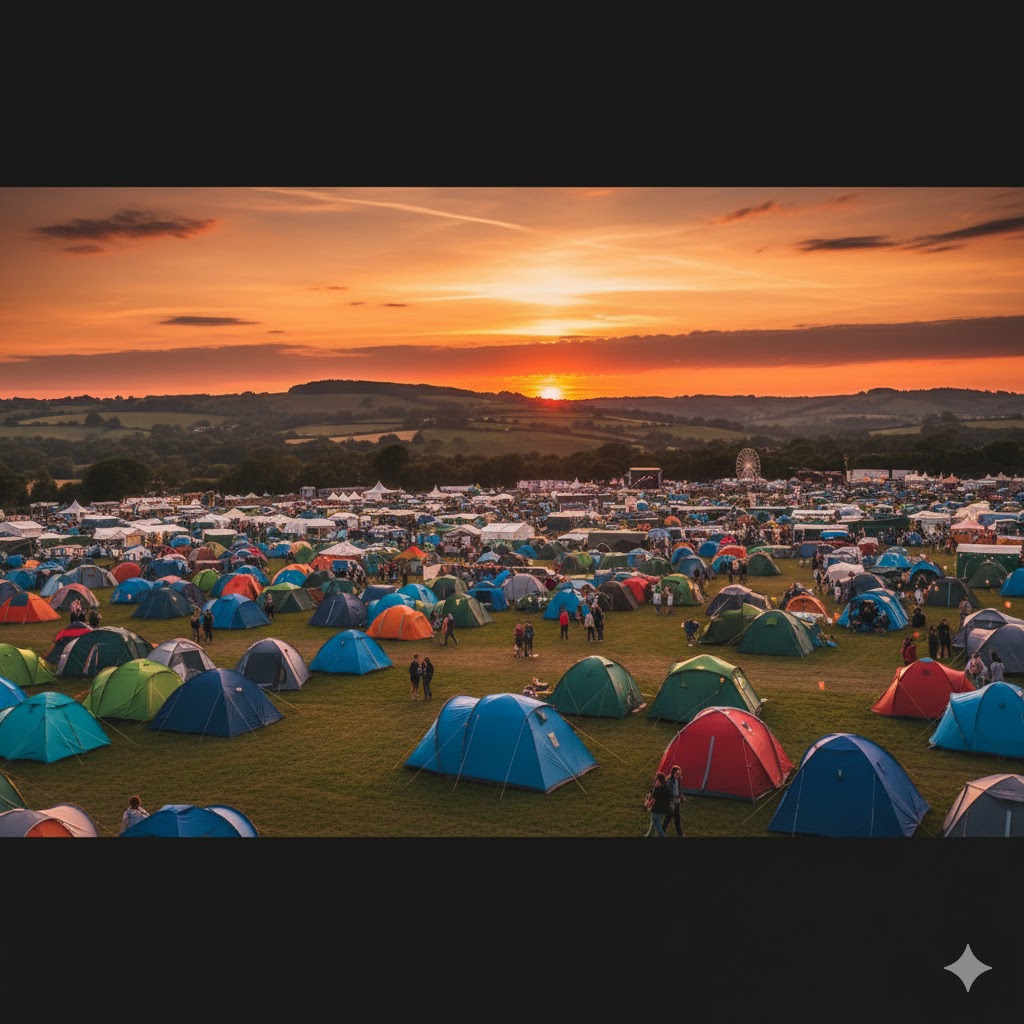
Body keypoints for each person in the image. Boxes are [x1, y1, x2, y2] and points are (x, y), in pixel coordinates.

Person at [645, 772, 672, 837]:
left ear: (659, 781)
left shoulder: (659, 790)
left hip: (657, 810)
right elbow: (651, 791)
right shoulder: (665, 786)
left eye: (656, 779)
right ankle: (649, 834)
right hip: (663, 809)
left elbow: (653, 797)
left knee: (657, 826)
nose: (655, 780)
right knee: (653, 821)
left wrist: (651, 795)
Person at [663, 764, 687, 837]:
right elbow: (668, 793)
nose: (678, 775)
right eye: (677, 774)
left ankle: (679, 834)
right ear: (673, 773)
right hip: (671, 803)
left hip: (677, 802)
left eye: (679, 774)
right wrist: (676, 796)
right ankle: (662, 831)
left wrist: (681, 795)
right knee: (669, 817)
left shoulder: (678, 780)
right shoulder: (670, 782)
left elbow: (679, 789)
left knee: (677, 818)